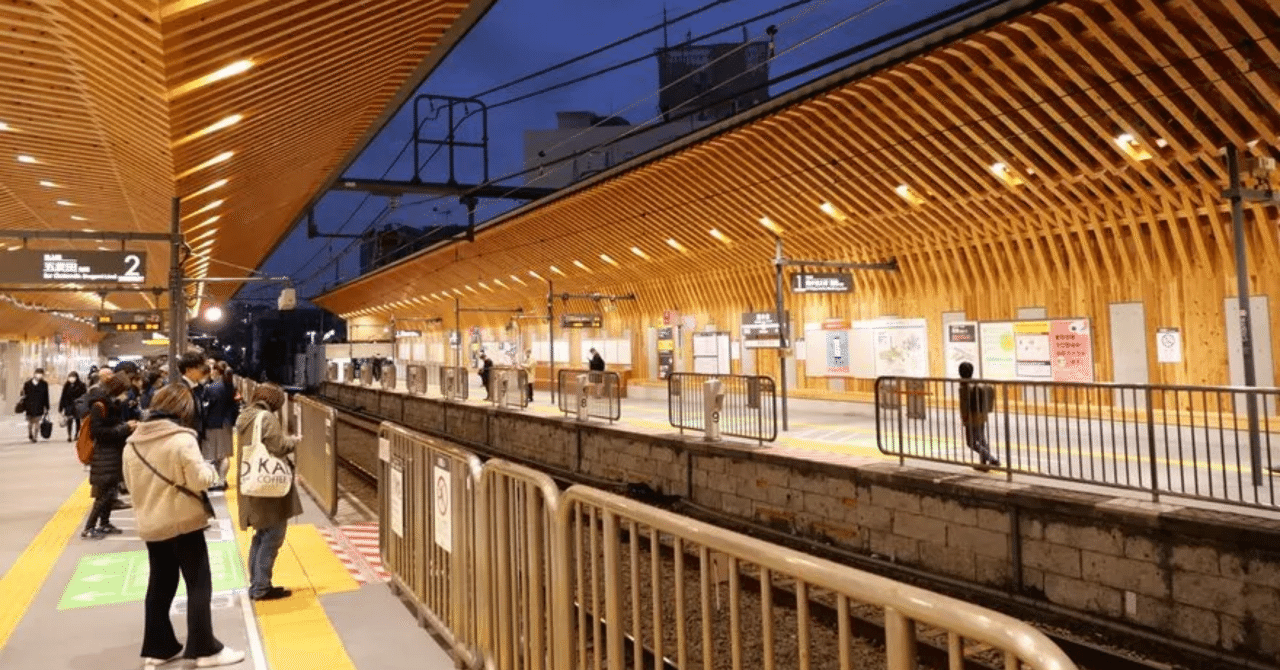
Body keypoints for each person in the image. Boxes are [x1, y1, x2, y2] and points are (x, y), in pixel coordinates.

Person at [123, 384, 244, 668]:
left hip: (152, 523)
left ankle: (159, 647)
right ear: (183, 409)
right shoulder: (181, 440)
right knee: (198, 583)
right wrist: (212, 468)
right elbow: (200, 480)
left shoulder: (132, 443)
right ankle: (204, 648)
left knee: (160, 584)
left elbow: (130, 485)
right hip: (182, 522)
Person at [235, 383, 301, 602]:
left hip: (251, 483)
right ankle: (262, 588)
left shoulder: (246, 415)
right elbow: (278, 446)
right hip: (267, 488)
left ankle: (257, 583)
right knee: (273, 535)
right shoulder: (265, 418)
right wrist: (294, 442)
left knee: (261, 535)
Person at [83, 372, 136, 539]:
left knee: (110, 490)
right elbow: (98, 432)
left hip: (113, 451)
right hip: (105, 453)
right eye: (124, 390)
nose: (125, 394)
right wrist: (124, 428)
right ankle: (89, 527)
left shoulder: (110, 403)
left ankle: (104, 523)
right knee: (104, 493)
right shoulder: (99, 405)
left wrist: (125, 426)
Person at [957, 362, 1000, 470]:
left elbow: (964, 404)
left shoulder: (964, 386)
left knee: (971, 443)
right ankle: (983, 464)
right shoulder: (976, 382)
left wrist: (964, 417)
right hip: (982, 414)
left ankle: (992, 459)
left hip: (971, 416)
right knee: (981, 439)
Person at [203, 362, 236, 491]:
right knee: (224, 455)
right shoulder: (230, 385)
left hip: (214, 423)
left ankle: (218, 482)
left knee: (215, 455)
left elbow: (207, 407)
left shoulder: (212, 388)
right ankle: (222, 480)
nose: (210, 372)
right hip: (227, 423)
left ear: (217, 371)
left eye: (212, 369)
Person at [178, 352, 209, 448]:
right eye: (199, 367)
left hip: (196, 438)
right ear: (189, 370)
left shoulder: (197, 388)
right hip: (186, 440)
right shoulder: (181, 390)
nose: (202, 370)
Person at [20, 368, 51, 443]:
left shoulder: (44, 384)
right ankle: (30, 433)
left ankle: (35, 437)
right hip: (29, 405)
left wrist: (47, 406)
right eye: (38, 373)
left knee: (37, 421)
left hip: (39, 405)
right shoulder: (27, 383)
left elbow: (46, 396)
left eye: (41, 374)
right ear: (34, 374)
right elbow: (23, 394)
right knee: (30, 421)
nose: (39, 375)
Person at [57, 371, 88, 442]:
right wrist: (61, 408)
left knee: (77, 420)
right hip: (68, 405)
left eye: (73, 377)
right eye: (70, 377)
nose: (71, 379)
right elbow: (63, 396)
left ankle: (77, 434)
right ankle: (69, 435)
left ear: (76, 377)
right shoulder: (66, 385)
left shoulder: (81, 385)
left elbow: (85, 396)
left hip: (78, 405)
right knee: (69, 420)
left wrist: (85, 405)